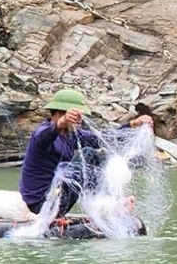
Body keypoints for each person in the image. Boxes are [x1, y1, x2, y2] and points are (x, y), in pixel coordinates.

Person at [17, 88, 154, 215]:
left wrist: (132, 125)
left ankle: (108, 202)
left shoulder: (72, 135)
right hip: (41, 203)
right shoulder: (42, 132)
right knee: (82, 163)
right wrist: (61, 123)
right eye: (76, 117)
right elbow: (44, 136)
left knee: (93, 154)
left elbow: (103, 139)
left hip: (58, 197)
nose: (80, 121)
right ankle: (108, 208)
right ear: (59, 113)